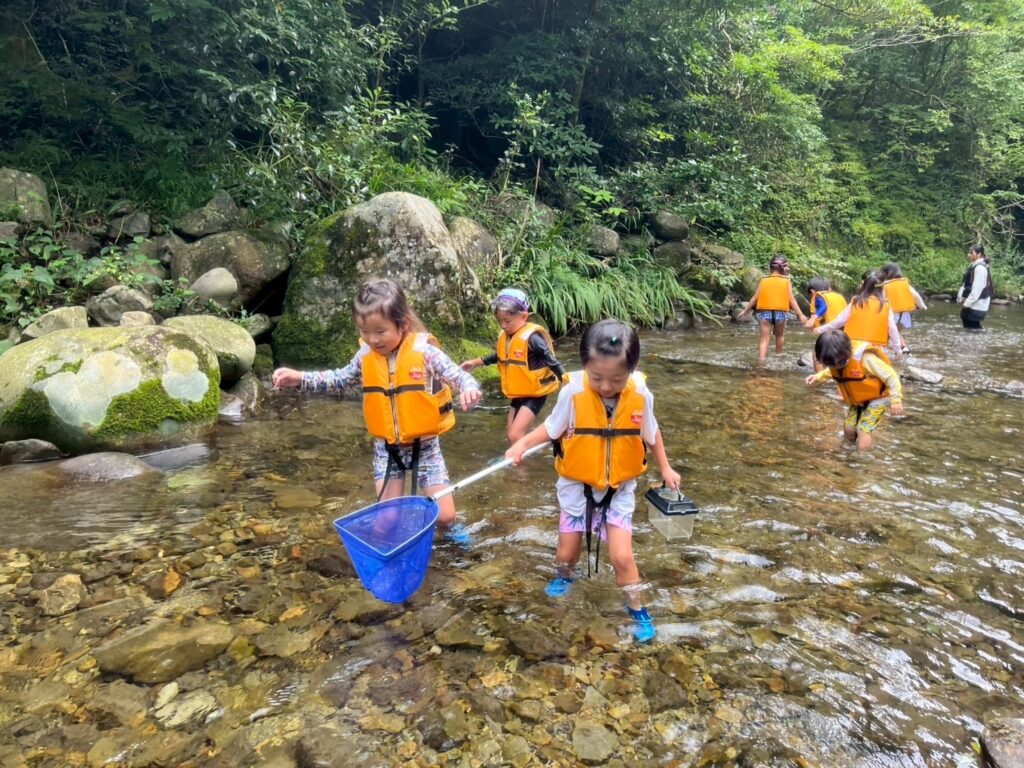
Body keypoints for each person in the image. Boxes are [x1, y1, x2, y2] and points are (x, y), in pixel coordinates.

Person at [505, 319, 681, 643]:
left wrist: (666, 469)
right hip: (577, 488)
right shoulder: (572, 392)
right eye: (597, 377)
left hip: (619, 489)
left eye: (617, 379)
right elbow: (551, 428)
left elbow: (651, 433)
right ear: (585, 365)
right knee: (566, 554)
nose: (606, 386)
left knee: (622, 557)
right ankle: (565, 576)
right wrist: (522, 444)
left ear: (632, 370)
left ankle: (637, 607)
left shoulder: (641, 394)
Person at [271, 278, 482, 541]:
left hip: (426, 448)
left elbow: (459, 376)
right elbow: (339, 379)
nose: (372, 339)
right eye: (364, 331)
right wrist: (300, 378)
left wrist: (469, 388)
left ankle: (454, 539)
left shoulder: (425, 353)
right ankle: (387, 554)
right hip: (387, 450)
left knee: (445, 517)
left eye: (380, 331)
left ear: (403, 324)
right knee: (387, 521)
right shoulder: (364, 356)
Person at [460, 288, 567, 443]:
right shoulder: (507, 337)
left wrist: (567, 383)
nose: (503, 325)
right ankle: (524, 455)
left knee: (515, 436)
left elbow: (552, 362)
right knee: (511, 437)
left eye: (507, 321)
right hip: (518, 393)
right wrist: (475, 362)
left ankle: (544, 444)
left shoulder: (533, 339)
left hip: (535, 395)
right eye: (499, 321)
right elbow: (500, 356)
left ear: (523, 316)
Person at [805, 329, 904, 452]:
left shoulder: (865, 359)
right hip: (858, 400)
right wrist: (818, 376)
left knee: (863, 430)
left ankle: (861, 458)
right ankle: (849, 454)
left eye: (841, 362)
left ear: (850, 350)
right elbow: (831, 371)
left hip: (878, 398)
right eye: (831, 364)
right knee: (849, 429)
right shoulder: (837, 362)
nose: (837, 366)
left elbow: (891, 376)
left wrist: (896, 400)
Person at [813, 270, 902, 359]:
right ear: (882, 288)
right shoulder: (885, 306)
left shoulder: (855, 302)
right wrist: (897, 350)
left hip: (853, 348)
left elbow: (838, 322)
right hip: (876, 350)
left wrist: (820, 329)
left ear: (864, 286)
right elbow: (892, 330)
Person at [737, 257, 808, 360]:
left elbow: (755, 298)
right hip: (781, 314)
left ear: (769, 268)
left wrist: (745, 310)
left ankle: (761, 360)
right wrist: (801, 315)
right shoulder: (786, 280)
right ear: (783, 268)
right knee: (779, 336)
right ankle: (778, 355)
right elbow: (792, 300)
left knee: (764, 339)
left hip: (766, 314)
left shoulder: (764, 280)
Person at [879, 262, 927, 353]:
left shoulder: (885, 285)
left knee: (889, 333)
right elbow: (916, 295)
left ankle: (885, 351)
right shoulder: (905, 284)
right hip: (904, 315)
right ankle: (904, 348)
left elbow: (882, 299)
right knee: (895, 332)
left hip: (891, 314)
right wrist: (922, 306)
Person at [802, 277, 847, 371]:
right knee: (838, 354)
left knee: (817, 354)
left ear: (812, 291)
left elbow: (823, 307)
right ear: (828, 288)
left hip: (829, 332)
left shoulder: (818, 296)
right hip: (842, 332)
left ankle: (819, 375)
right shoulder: (839, 296)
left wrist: (813, 318)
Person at [957, 245, 993, 330]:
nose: (968, 255)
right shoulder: (973, 265)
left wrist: (967, 303)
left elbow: (977, 288)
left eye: (971, 253)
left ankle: (979, 338)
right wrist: (960, 297)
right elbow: (966, 283)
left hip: (978, 303)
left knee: (973, 327)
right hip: (972, 302)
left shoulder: (980, 268)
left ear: (979, 254)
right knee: (966, 322)